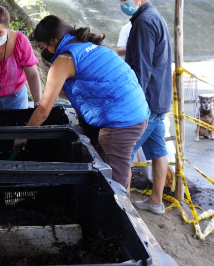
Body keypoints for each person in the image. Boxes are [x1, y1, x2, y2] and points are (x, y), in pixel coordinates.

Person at [19, 15, 149, 193]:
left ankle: (117, 217)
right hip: (136, 113)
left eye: (43, 47)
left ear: (54, 40)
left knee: (115, 185)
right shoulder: (90, 46)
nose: (42, 53)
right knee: (119, 167)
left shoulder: (64, 60)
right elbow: (88, 94)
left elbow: (43, 111)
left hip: (120, 123)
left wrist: (23, 135)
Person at [118, 0, 172, 215]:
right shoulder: (155, 17)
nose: (123, 3)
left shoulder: (143, 22)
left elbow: (142, 67)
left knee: (124, 153)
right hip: (159, 99)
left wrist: (133, 104)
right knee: (159, 151)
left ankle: (124, 209)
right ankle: (156, 202)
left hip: (147, 102)